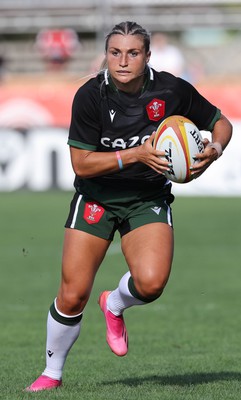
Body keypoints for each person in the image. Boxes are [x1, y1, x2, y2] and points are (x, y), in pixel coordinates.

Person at [25, 21, 232, 392]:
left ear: (147, 56)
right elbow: (82, 163)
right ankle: (51, 374)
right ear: (106, 55)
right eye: (114, 52)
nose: (122, 61)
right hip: (97, 198)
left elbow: (220, 123)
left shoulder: (171, 90)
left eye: (132, 53)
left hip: (146, 198)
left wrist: (214, 151)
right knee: (72, 294)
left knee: (151, 284)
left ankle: (115, 303)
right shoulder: (90, 95)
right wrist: (136, 153)